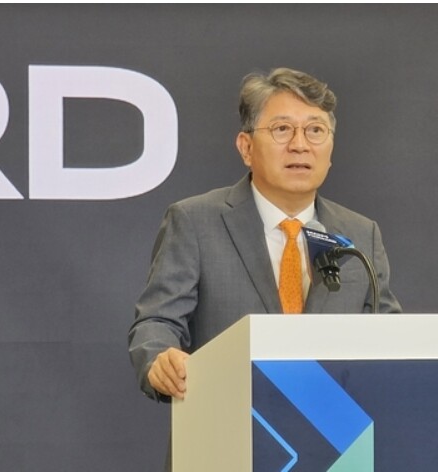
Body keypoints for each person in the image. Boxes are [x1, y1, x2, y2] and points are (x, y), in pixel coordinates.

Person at [128, 67, 401, 405]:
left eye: (315, 130)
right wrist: (160, 359)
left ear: (331, 149)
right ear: (246, 147)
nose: (300, 145)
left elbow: (393, 341)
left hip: (335, 429)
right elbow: (156, 322)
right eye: (282, 129)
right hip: (226, 422)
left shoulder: (361, 234)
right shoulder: (196, 222)